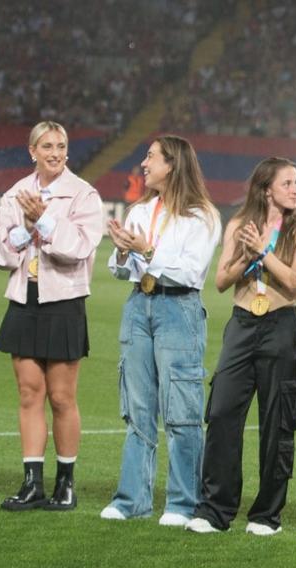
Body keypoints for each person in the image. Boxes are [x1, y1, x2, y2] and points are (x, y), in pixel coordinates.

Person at [101, 135, 221, 526]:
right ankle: (131, 499)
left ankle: (182, 503)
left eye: (151, 157)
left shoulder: (202, 216)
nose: (144, 163)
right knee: (137, 408)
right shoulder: (141, 210)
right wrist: (122, 251)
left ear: (173, 164)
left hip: (179, 307)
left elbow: (190, 270)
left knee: (181, 411)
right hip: (140, 304)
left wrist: (147, 251)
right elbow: (121, 271)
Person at [0, 121, 105, 512]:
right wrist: (22, 234)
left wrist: (44, 222)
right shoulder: (15, 194)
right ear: (31, 150)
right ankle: (32, 483)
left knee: (61, 396)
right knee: (28, 394)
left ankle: (66, 485)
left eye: (61, 145)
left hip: (64, 302)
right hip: (25, 299)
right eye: (47, 146)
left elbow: (81, 247)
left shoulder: (84, 194)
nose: (55, 152)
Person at [185, 158, 296, 536]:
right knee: (222, 412)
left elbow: (293, 283)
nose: (295, 189)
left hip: (280, 325)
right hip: (241, 324)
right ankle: (215, 510)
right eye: (287, 183)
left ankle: (266, 515)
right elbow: (221, 281)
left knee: (277, 421)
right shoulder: (238, 224)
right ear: (265, 188)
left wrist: (263, 252)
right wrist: (245, 254)